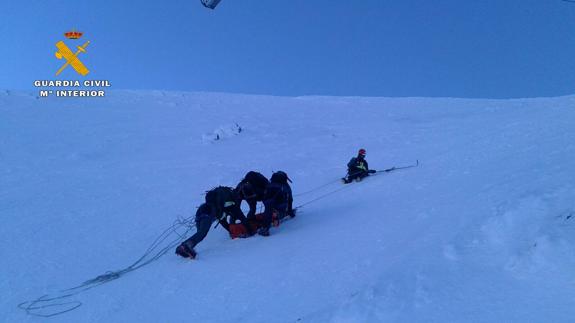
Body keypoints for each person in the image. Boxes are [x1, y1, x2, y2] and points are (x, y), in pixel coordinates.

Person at [175, 186, 254, 259]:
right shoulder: (230, 205)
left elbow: (223, 222)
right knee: (202, 233)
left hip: (200, 212)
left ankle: (186, 248)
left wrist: (231, 231)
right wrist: (250, 230)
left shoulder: (221, 207)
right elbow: (241, 217)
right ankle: (185, 246)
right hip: (207, 213)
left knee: (200, 234)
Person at [258, 171, 294, 237]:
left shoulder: (270, 184)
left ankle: (265, 227)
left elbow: (264, 194)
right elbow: (290, 199)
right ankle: (277, 214)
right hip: (280, 203)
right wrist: (290, 211)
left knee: (268, 211)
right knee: (281, 211)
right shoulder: (285, 186)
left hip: (267, 201)